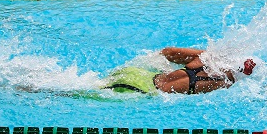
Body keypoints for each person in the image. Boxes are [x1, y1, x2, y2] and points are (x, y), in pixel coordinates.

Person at [103, 47, 255, 95]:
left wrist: (164, 68)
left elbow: (168, 52)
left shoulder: (206, 58)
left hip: (136, 73)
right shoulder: (223, 84)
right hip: (137, 91)